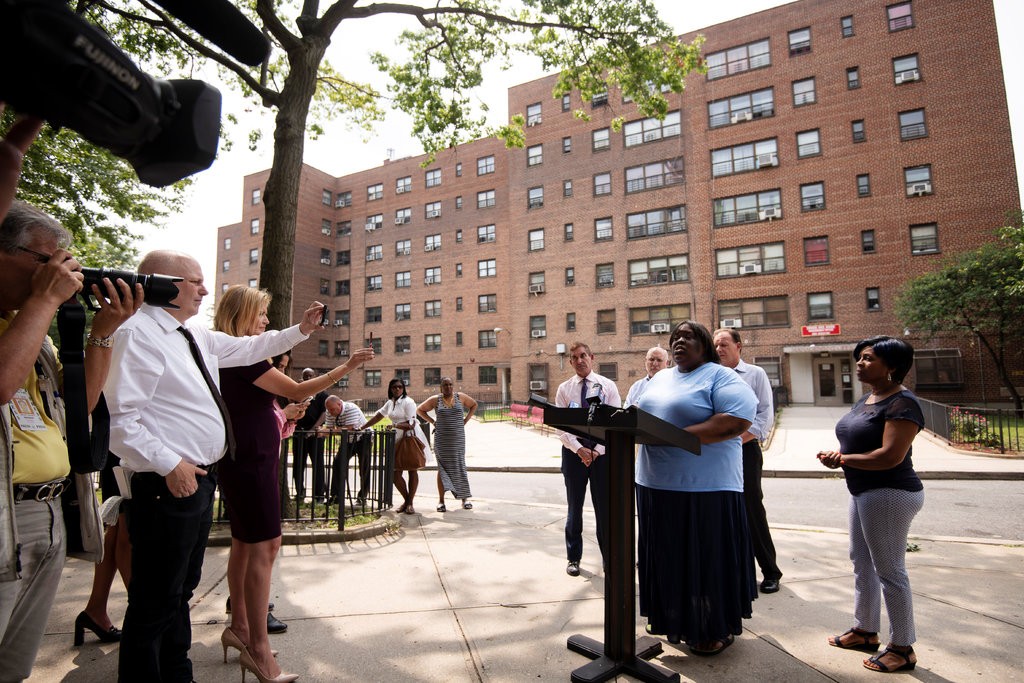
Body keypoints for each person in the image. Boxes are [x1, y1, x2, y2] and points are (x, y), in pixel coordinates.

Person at [104, 250, 325, 683]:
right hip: (165, 482)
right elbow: (118, 420)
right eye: (196, 282)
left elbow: (252, 347)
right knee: (155, 600)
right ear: (163, 283)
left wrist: (300, 330)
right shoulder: (138, 335)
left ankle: (177, 673)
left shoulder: (192, 334)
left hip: (200, 480)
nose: (206, 290)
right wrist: (172, 464)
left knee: (179, 592)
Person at [1, 197, 142, 681]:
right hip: (4, 512)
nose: (62, 274)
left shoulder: (34, 333)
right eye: (47, 260)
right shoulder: (26, 321)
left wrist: (103, 330)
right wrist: (44, 301)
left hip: (47, 513)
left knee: (13, 665)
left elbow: (76, 407)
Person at [213, 285, 373, 681]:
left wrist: (281, 416)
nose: (266, 321)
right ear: (242, 315)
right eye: (261, 314)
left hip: (247, 457)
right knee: (266, 546)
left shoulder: (234, 354)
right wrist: (348, 366)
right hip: (251, 461)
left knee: (244, 546)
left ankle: (241, 629)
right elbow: (301, 388)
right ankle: (259, 651)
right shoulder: (243, 354)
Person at [634, 320, 757, 656]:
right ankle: (670, 618)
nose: (678, 342)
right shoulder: (659, 378)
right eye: (675, 337)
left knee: (704, 562)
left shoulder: (720, 376)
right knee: (668, 559)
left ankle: (713, 626)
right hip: (655, 484)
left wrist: (677, 437)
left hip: (707, 490)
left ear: (704, 345)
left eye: (688, 337)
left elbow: (737, 419)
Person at [817, 336, 925, 674]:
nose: (860, 363)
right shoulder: (868, 399)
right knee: (861, 563)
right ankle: (865, 630)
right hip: (863, 492)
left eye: (868, 358)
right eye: (859, 358)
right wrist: (842, 458)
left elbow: (889, 457)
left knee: (890, 571)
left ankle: (903, 647)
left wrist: (843, 459)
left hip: (890, 493)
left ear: (891, 366)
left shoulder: (903, 404)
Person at [713, 328, 783, 594]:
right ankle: (737, 573)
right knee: (723, 510)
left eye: (724, 344)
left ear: (738, 346)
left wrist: (738, 439)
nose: (719, 349)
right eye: (716, 345)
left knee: (751, 508)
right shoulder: (712, 375)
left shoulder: (755, 374)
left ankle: (770, 571)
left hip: (744, 449)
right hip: (717, 451)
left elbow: (765, 413)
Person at [554, 341, 621, 577]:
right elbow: (560, 426)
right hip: (574, 456)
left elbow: (615, 424)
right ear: (570, 361)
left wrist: (597, 451)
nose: (579, 360)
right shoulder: (564, 389)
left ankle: (609, 558)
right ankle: (573, 557)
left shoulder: (607, 386)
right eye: (575, 357)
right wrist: (578, 449)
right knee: (575, 509)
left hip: (602, 457)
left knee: (605, 510)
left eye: (583, 355)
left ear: (591, 357)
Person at [74, 454, 132, 646]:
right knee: (127, 529)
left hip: (118, 450)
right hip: (127, 451)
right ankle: (146, 614)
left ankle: (96, 608)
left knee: (117, 527)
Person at [360, 378, 431, 515]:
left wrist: (394, 425)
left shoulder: (408, 402)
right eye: (394, 387)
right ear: (390, 389)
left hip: (410, 438)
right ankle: (407, 500)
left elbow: (411, 424)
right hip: (396, 439)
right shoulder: (390, 402)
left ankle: (409, 503)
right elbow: (378, 416)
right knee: (394, 473)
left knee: (412, 469)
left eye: (400, 387)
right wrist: (362, 427)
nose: (397, 389)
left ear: (403, 388)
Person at [416, 377, 478, 512]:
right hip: (442, 441)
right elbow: (419, 410)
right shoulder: (435, 400)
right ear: (441, 387)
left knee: (459, 466)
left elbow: (474, 405)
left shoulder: (460, 397)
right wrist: (433, 421)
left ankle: (464, 498)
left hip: (458, 440)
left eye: (450, 384)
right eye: (445, 385)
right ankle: (441, 501)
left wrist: (465, 420)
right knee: (442, 469)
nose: (448, 387)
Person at [320, 395, 370, 504]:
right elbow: (329, 429)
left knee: (364, 467)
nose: (331, 412)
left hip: (363, 437)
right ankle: (336, 496)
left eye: (333, 409)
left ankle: (363, 496)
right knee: (338, 463)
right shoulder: (329, 411)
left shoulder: (351, 408)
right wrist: (322, 432)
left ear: (339, 404)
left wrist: (329, 431)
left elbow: (349, 428)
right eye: (329, 410)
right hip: (347, 439)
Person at [291, 368, 328, 501]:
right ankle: (299, 493)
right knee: (298, 464)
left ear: (314, 377)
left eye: (310, 376)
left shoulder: (322, 394)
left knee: (318, 464)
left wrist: (313, 429)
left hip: (315, 434)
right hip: (299, 434)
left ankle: (319, 495)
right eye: (305, 376)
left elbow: (324, 414)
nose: (308, 379)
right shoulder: (299, 393)